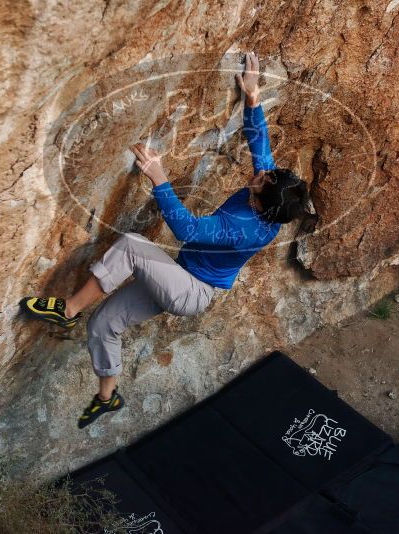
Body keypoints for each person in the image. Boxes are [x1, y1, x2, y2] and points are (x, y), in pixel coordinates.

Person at [19, 52, 315, 428]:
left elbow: (189, 230)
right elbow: (260, 145)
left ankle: (67, 311)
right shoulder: (269, 199)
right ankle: (106, 397)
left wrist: (159, 178)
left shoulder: (247, 229)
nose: (258, 174)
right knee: (105, 324)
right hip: (178, 275)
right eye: (264, 175)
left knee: (131, 245)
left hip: (191, 290)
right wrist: (253, 97)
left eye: (260, 182)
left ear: (260, 203)